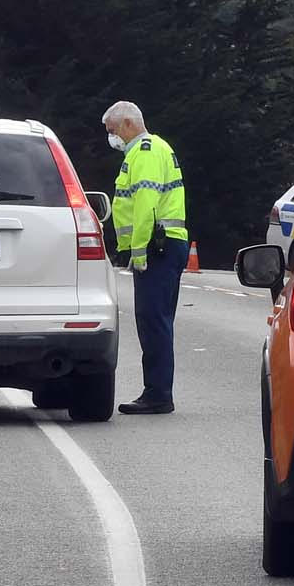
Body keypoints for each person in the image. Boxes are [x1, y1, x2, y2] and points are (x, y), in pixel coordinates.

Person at [104, 100, 190, 416]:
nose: (112, 138)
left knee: (153, 321)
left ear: (128, 123)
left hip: (157, 248)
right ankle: (157, 391)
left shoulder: (145, 152)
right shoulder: (154, 149)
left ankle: (157, 394)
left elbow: (145, 203)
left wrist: (138, 250)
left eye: (113, 130)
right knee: (157, 320)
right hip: (164, 246)